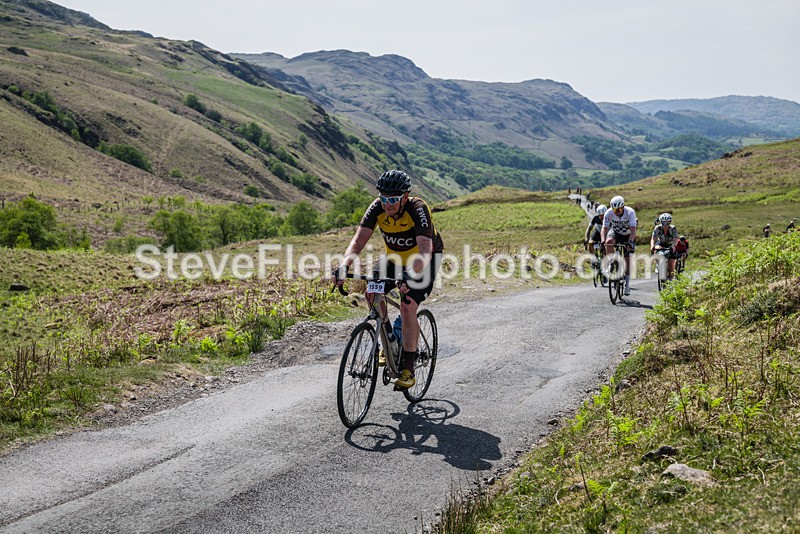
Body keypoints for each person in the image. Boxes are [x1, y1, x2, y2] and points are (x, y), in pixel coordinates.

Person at [335, 170, 444, 390]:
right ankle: (390, 340)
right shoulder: (377, 208)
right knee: (372, 293)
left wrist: (410, 274)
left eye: (393, 199)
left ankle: (409, 369)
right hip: (394, 258)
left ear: (405, 197)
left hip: (424, 259)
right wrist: (343, 266)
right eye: (384, 198)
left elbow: (424, 250)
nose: (388, 204)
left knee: (407, 306)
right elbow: (358, 241)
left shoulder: (418, 209)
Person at [601, 195, 637, 295]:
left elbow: (633, 229)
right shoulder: (608, 213)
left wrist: (630, 241)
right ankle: (610, 263)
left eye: (619, 209)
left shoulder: (630, 212)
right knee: (608, 243)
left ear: (623, 206)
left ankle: (627, 285)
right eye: (615, 209)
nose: (617, 211)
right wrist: (603, 241)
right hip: (616, 232)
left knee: (627, 258)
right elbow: (604, 229)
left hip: (628, 234)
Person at [650, 212, 679, 280]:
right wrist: (652, 246)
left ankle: (670, 279)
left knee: (671, 262)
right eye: (663, 223)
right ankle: (658, 265)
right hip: (661, 243)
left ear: (670, 223)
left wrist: (673, 246)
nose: (665, 225)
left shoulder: (673, 228)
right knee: (656, 249)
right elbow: (653, 239)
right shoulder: (657, 228)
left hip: (670, 244)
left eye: (667, 223)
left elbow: (675, 239)